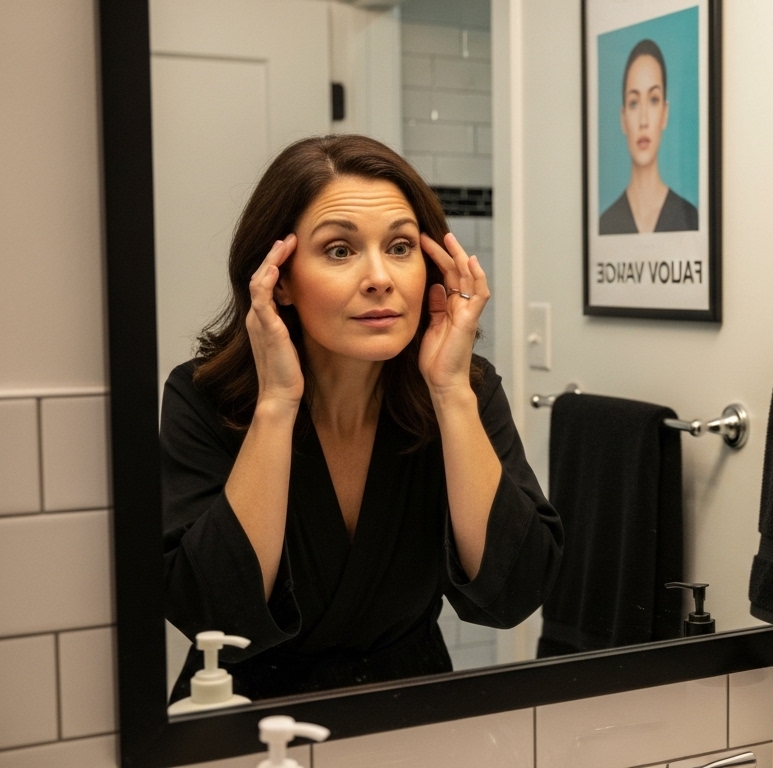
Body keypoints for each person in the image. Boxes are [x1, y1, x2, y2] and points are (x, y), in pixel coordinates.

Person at [161, 135, 563, 700]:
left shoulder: (462, 390)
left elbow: (514, 593)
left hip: (410, 715)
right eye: (340, 251)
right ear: (279, 282)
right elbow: (212, 615)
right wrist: (276, 402)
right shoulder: (205, 397)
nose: (381, 277)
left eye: (400, 247)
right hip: (244, 717)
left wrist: (450, 391)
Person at [599, 38, 699, 235]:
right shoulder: (605, 224)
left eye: (653, 100)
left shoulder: (690, 218)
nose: (643, 120)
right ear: (623, 118)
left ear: (665, 113)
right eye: (634, 103)